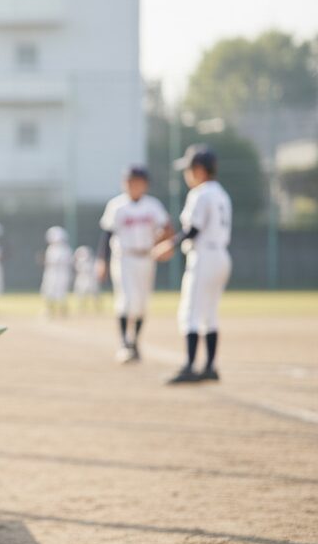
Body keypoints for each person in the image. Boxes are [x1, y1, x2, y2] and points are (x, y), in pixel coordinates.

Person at [154, 144, 232, 384]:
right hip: (221, 256)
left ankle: (189, 366)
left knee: (190, 313)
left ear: (199, 170)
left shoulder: (200, 193)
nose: (187, 175)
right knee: (209, 313)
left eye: (189, 169)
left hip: (204, 257)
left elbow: (193, 229)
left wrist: (169, 245)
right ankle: (209, 366)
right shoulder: (221, 193)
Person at [97, 165, 171, 363]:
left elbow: (166, 227)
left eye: (135, 181)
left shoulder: (153, 205)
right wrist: (101, 260)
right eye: (128, 181)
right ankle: (124, 343)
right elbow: (107, 234)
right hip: (123, 257)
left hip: (146, 257)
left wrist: (165, 243)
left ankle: (134, 343)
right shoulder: (117, 205)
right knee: (126, 299)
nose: (131, 185)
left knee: (141, 303)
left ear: (144, 184)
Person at [41, 226, 72, 317]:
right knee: (49, 291)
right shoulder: (51, 248)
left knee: (61, 292)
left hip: (62, 273)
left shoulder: (65, 249)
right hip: (51, 273)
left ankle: (63, 310)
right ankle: (50, 310)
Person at [72, 245, 100, 313]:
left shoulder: (92, 262)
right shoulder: (79, 263)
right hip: (81, 279)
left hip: (90, 279)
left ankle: (96, 307)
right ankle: (81, 308)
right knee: (80, 294)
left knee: (94, 294)